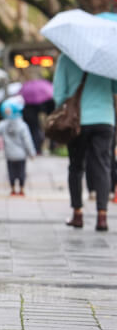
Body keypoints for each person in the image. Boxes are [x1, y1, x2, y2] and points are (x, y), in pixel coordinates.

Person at [53, 53, 117, 231]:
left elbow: (58, 93)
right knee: (103, 166)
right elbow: (115, 88)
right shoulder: (108, 58)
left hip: (76, 122)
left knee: (76, 166)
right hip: (104, 119)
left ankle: (77, 214)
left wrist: (63, 111)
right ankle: (102, 216)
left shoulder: (66, 58)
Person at [0, 97, 36, 196]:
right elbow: (28, 141)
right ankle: (21, 189)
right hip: (21, 155)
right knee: (21, 172)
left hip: (9, 155)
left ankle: (13, 189)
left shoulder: (3, 124)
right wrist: (32, 153)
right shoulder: (23, 126)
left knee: (11, 173)